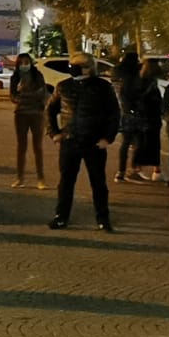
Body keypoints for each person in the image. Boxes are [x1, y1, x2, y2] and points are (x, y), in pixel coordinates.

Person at [47, 53, 119, 231]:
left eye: (78, 65)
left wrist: (107, 138)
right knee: (66, 182)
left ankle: (103, 219)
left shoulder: (103, 87)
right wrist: (54, 133)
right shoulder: (63, 86)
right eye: (73, 64)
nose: (73, 68)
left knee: (98, 182)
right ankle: (61, 216)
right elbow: (49, 110)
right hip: (70, 141)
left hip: (94, 142)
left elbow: (114, 114)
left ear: (89, 67)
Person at [9, 53, 49, 189]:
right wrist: (27, 96)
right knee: (21, 147)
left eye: (27, 62)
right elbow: (13, 96)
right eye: (22, 62)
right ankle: (20, 177)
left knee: (37, 146)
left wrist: (24, 95)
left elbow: (42, 93)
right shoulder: (15, 77)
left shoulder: (37, 76)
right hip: (21, 114)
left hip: (36, 113)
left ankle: (41, 178)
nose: (24, 65)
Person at [112, 52, 146, 184]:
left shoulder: (118, 73)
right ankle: (132, 170)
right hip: (132, 112)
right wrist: (133, 109)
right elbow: (130, 93)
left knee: (126, 143)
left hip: (123, 112)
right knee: (137, 142)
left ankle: (121, 172)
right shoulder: (131, 76)